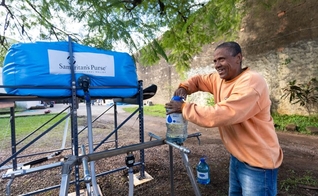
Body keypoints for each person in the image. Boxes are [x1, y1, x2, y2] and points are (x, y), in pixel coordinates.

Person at [165, 41, 283, 196]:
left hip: (258, 164)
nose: (217, 65)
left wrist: (184, 108)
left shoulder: (251, 82)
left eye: (222, 59)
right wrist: (184, 87)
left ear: (238, 58)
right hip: (237, 158)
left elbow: (222, 113)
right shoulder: (220, 80)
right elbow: (199, 80)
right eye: (215, 61)